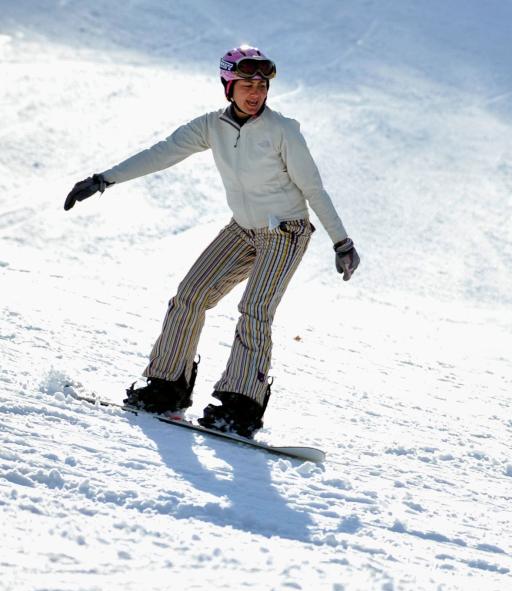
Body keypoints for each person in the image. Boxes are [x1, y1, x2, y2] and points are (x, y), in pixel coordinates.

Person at [63, 45, 360, 439]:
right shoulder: (211, 127)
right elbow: (162, 153)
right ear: (228, 86)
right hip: (242, 229)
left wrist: (342, 242)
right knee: (189, 294)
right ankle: (166, 386)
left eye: (262, 84)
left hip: (286, 232)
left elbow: (313, 188)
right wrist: (104, 179)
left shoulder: (282, 131)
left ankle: (240, 406)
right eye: (246, 83)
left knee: (254, 309)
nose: (255, 92)